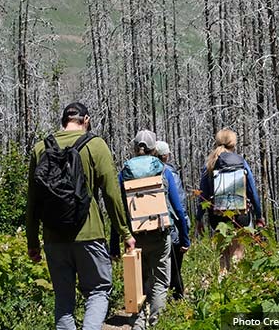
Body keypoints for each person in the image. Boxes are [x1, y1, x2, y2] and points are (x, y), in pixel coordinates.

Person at [26, 102, 136, 330]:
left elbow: (33, 201)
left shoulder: (40, 149)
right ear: (86, 120)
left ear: (63, 121)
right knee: (98, 291)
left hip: (53, 237)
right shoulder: (96, 146)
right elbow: (111, 195)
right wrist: (125, 233)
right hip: (90, 234)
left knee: (63, 301)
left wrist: (32, 242)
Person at [120, 130, 190, 330]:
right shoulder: (164, 170)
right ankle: (157, 323)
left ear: (135, 148)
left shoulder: (124, 172)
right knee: (160, 281)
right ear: (154, 150)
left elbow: (119, 208)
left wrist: (115, 241)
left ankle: (138, 323)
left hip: (134, 236)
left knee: (138, 281)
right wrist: (185, 238)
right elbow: (177, 208)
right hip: (160, 235)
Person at [197, 128, 264, 275]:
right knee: (238, 253)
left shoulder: (210, 164)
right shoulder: (241, 162)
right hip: (241, 215)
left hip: (218, 216)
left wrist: (199, 218)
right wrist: (259, 216)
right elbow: (252, 191)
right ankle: (239, 287)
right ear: (233, 144)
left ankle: (224, 285)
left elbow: (203, 194)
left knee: (223, 255)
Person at [155, 140, 189, 300]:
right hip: (172, 230)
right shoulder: (171, 174)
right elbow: (180, 206)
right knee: (175, 269)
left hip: (149, 230)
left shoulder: (145, 173)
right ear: (166, 156)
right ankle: (176, 300)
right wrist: (185, 235)